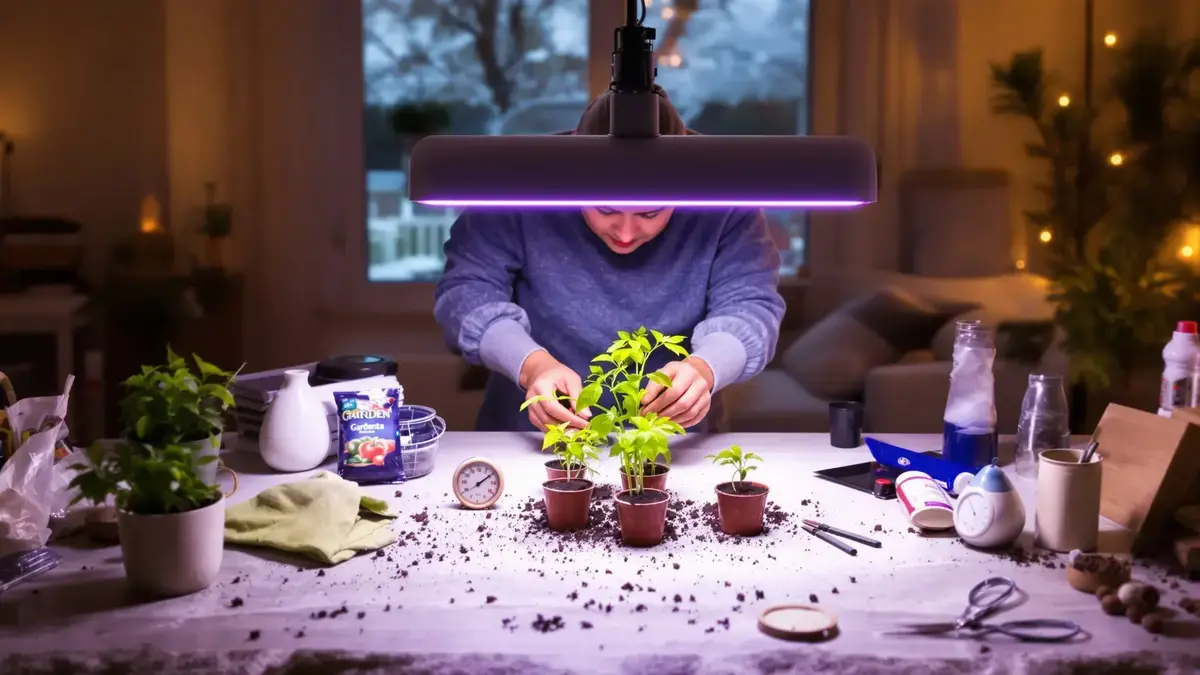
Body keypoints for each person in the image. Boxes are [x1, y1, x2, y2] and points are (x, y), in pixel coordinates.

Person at [433, 86, 786, 432]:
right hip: (530, 438)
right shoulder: (518, 184)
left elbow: (750, 306)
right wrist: (532, 366)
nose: (626, 234)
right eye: (605, 209)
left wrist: (707, 368)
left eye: (650, 213)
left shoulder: (726, 198)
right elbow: (467, 294)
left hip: (674, 445)